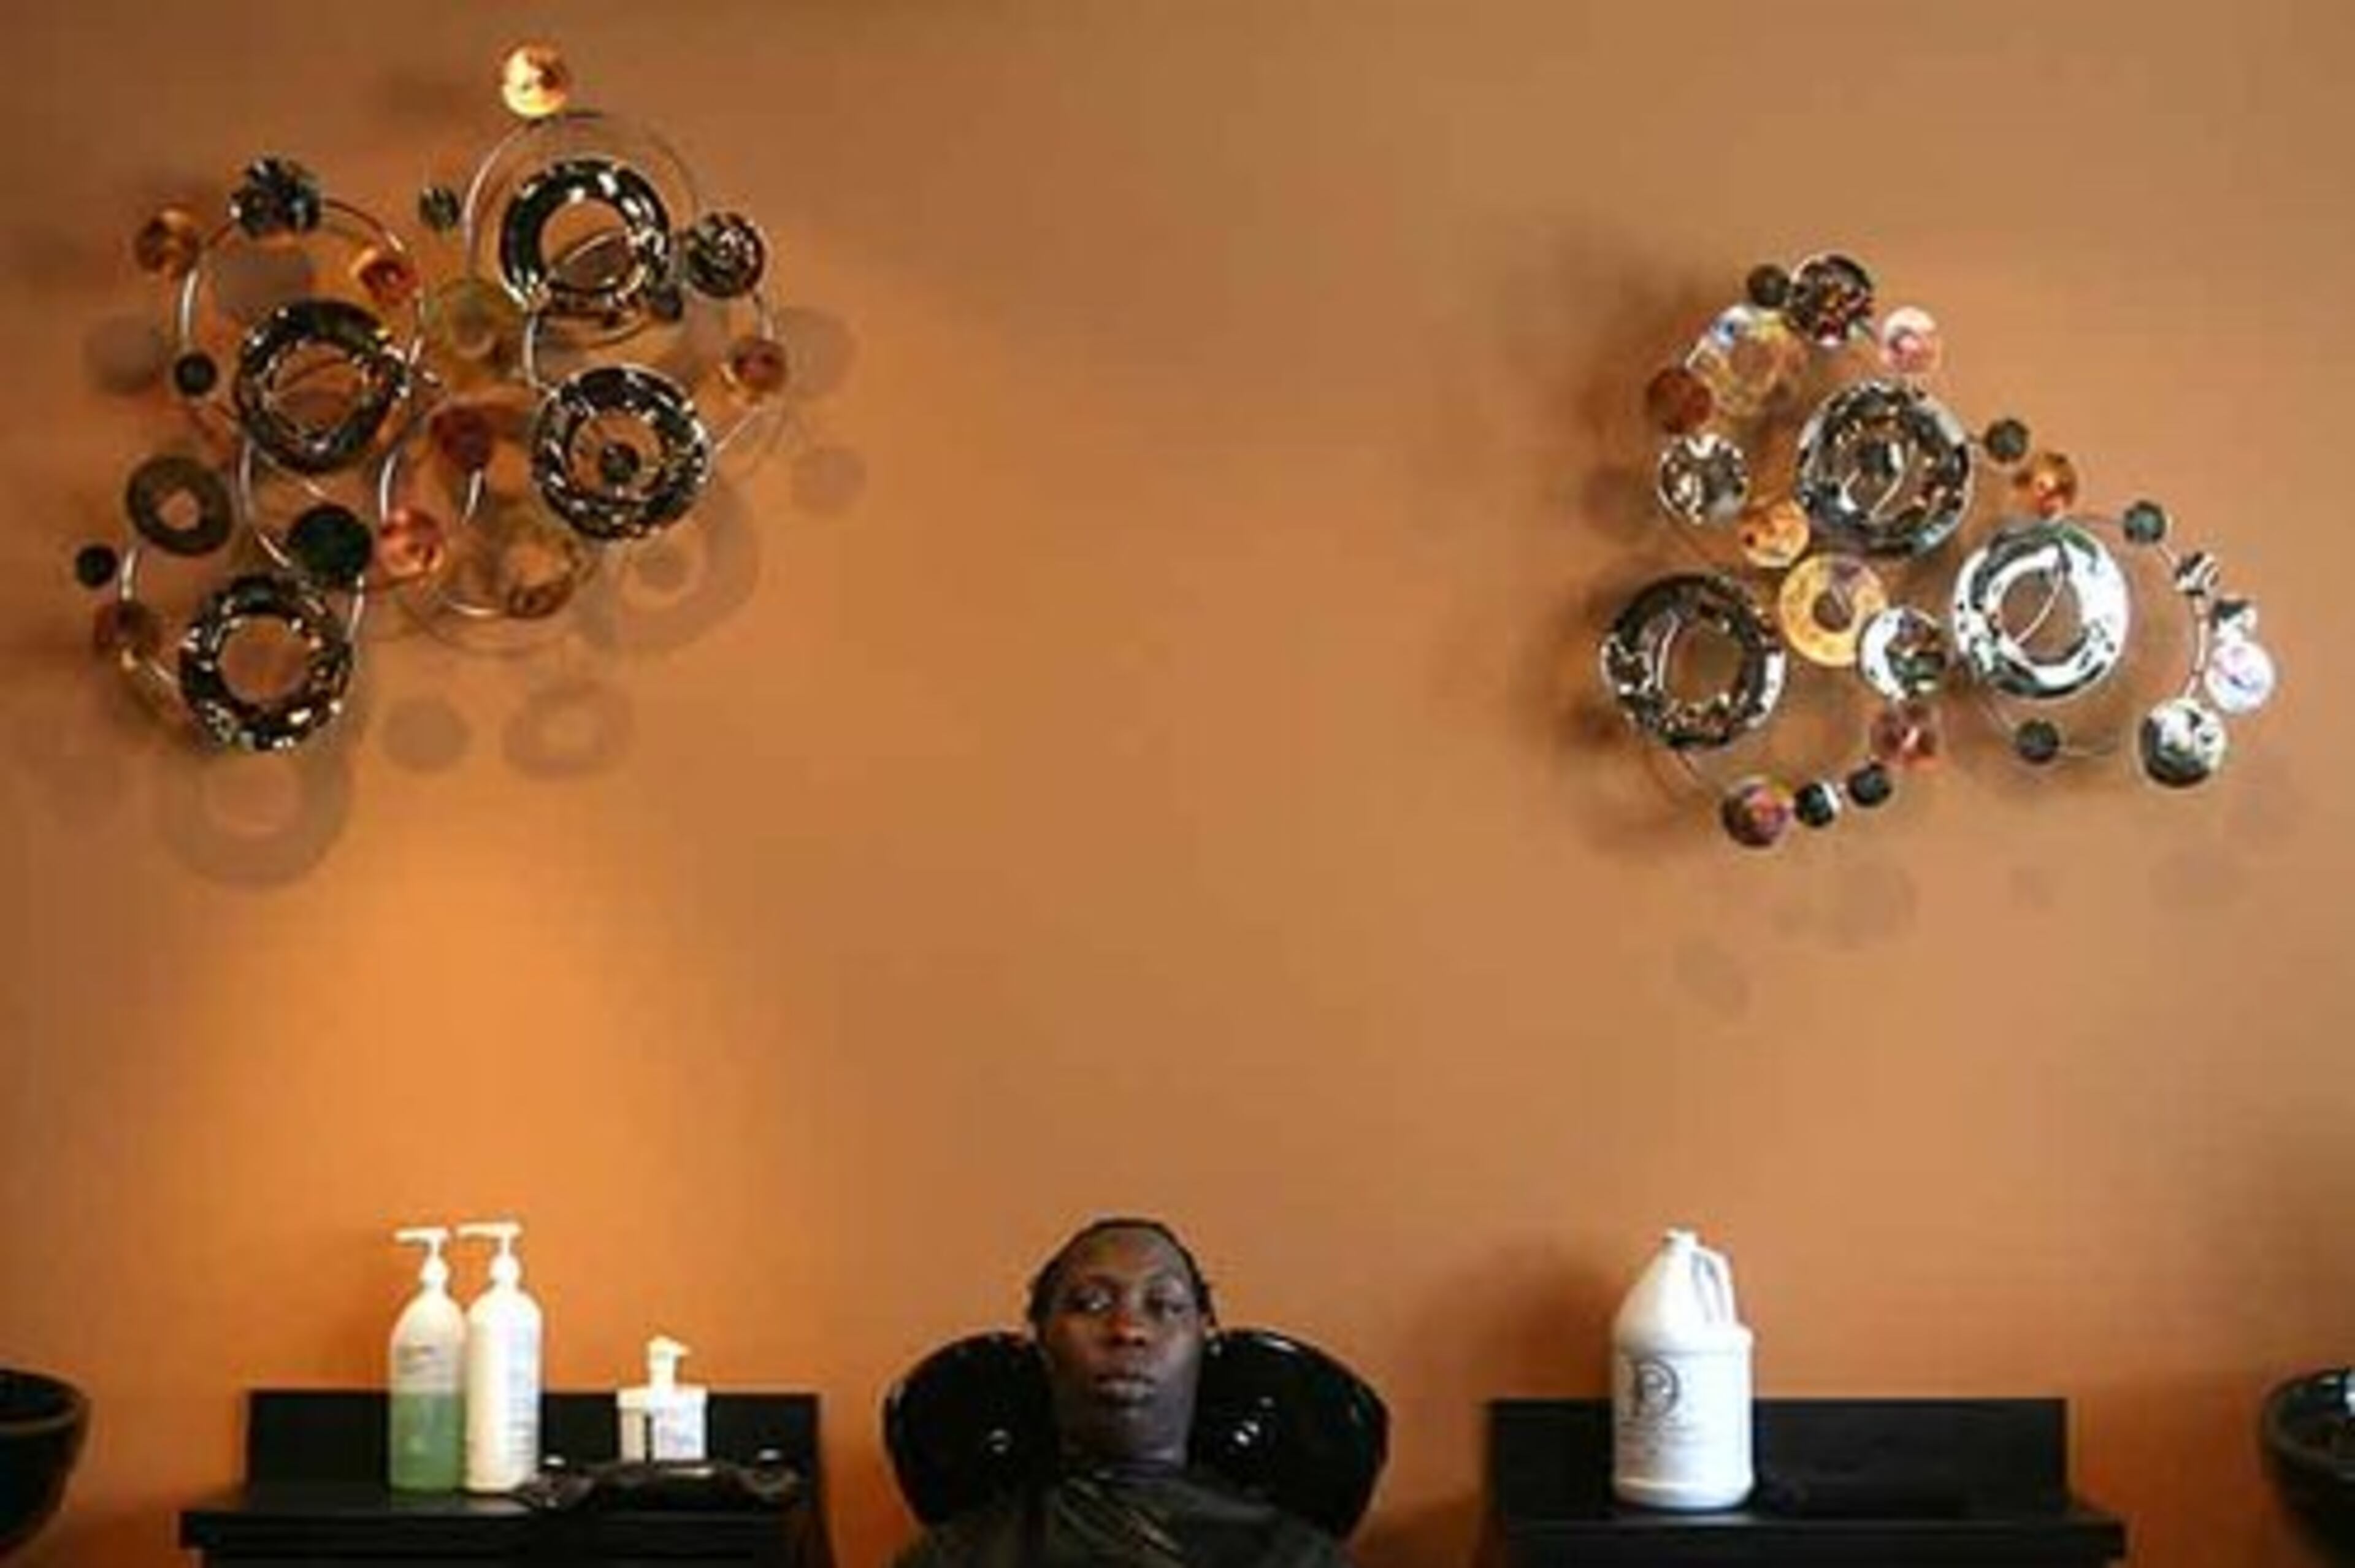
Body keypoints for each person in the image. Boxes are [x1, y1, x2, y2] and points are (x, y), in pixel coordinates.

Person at [892, 1217, 1357, 1568]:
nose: (1128, 1329)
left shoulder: (1294, 1556)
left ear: (1202, 1335)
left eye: (1165, 1305)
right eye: (1091, 1303)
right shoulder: (955, 1556)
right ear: (1041, 1336)